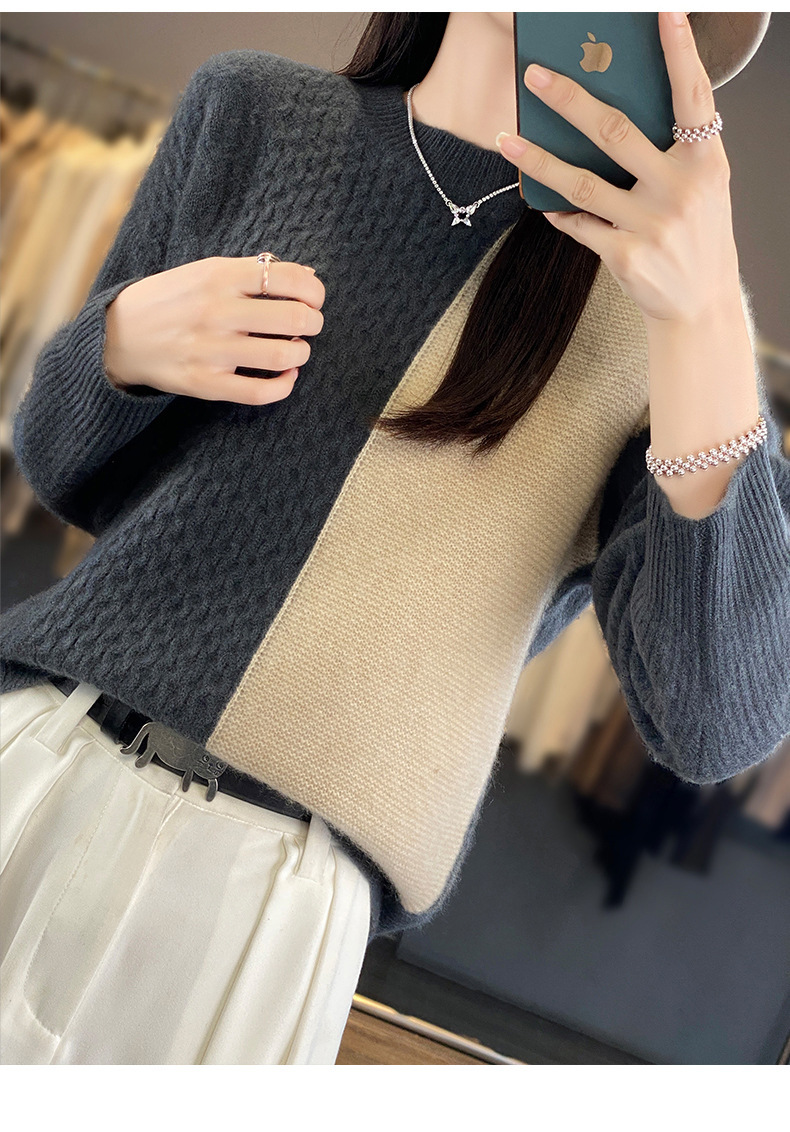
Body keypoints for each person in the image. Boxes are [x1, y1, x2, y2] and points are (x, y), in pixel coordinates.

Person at [1, 12, 787, 1065]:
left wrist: (707, 322)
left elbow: (720, 718)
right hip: (43, 757)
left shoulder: (660, 312)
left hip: (270, 898)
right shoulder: (255, 113)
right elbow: (60, 464)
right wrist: (120, 346)